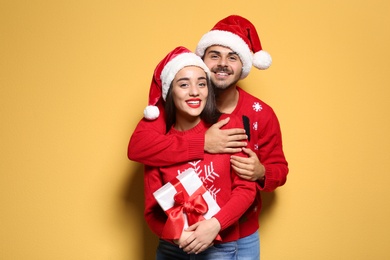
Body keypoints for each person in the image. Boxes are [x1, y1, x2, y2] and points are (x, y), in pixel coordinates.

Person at [128, 15, 288, 259]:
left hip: (237, 237)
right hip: (178, 239)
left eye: (232, 57)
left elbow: (277, 171)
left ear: (242, 66)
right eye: (214, 55)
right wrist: (203, 143)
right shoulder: (174, 106)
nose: (222, 63)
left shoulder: (261, 114)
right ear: (201, 60)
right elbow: (139, 148)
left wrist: (261, 172)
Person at [138, 46, 257, 259]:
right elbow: (151, 210)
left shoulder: (228, 126)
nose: (195, 91)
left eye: (201, 84)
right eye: (184, 84)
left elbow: (246, 189)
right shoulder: (159, 144)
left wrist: (215, 225)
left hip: (220, 248)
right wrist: (177, 237)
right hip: (172, 249)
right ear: (169, 91)